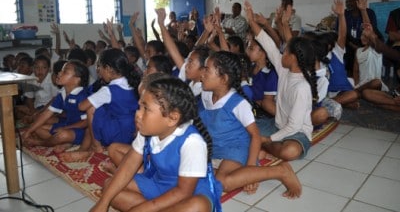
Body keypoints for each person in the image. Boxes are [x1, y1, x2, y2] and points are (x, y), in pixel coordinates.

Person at [90, 78, 222, 212]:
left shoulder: (192, 142)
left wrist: (140, 209)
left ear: (172, 118)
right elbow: (128, 165)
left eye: (146, 109)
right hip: (159, 184)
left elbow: (183, 192)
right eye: (139, 107)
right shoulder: (146, 131)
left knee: (198, 206)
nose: (138, 114)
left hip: (188, 193)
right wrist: (103, 203)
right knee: (109, 188)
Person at [199, 50, 301, 198]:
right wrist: (249, 175)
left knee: (222, 183)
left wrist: (251, 168)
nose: (202, 74)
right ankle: (244, 173)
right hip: (216, 149)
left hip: (236, 148)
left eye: (207, 70)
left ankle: (281, 171)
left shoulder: (238, 103)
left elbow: (255, 135)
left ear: (223, 79)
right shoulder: (206, 94)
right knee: (192, 172)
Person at [245, 0, 316, 161]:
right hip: (276, 126)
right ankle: (261, 142)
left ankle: (261, 143)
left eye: (284, 53)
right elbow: (267, 44)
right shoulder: (285, 69)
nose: (280, 54)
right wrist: (251, 20)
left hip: (296, 133)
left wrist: (268, 139)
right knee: (242, 127)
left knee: (289, 151)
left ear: (293, 58)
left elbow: (294, 126)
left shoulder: (302, 87)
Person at [60, 48, 141, 162]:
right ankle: (85, 147)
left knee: (92, 109)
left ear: (108, 69)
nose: (98, 70)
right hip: (131, 132)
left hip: (119, 134)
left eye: (99, 67)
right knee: (99, 114)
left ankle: (96, 147)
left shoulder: (108, 90)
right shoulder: (131, 82)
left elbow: (81, 106)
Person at [22, 60, 89, 152]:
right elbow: (46, 113)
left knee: (62, 135)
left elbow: (87, 122)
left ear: (77, 79)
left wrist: (66, 128)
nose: (59, 73)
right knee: (37, 129)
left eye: (65, 71)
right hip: (67, 124)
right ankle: (65, 143)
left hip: (82, 130)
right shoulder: (62, 93)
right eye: (61, 70)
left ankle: (39, 143)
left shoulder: (82, 96)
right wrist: (29, 131)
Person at [341, 0, 378, 76]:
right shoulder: (344, 14)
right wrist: (351, 45)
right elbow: (340, 32)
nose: (347, 4)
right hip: (349, 44)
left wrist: (362, 47)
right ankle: (352, 80)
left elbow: (371, 30)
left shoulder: (369, 12)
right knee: (349, 63)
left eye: (350, 1)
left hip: (366, 44)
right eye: (346, 1)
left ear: (358, 1)